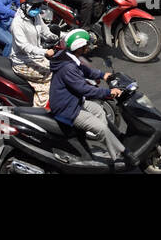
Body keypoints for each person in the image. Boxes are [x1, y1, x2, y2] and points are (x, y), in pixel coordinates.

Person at [49, 30, 125, 163]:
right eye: (86, 45)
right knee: (101, 129)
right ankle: (124, 156)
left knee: (100, 112)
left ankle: (113, 146)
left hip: (75, 100)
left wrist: (102, 75)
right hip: (68, 109)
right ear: (79, 47)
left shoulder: (68, 56)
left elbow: (84, 70)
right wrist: (108, 92)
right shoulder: (68, 68)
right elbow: (84, 90)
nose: (89, 47)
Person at [10, 0, 60, 107]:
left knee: (59, 68)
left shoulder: (36, 17)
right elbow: (24, 46)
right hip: (22, 62)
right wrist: (45, 52)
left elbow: (45, 31)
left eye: (38, 6)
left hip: (36, 58)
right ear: (24, 6)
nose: (37, 9)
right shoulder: (17, 23)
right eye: (35, 6)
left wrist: (60, 37)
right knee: (50, 76)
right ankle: (40, 111)